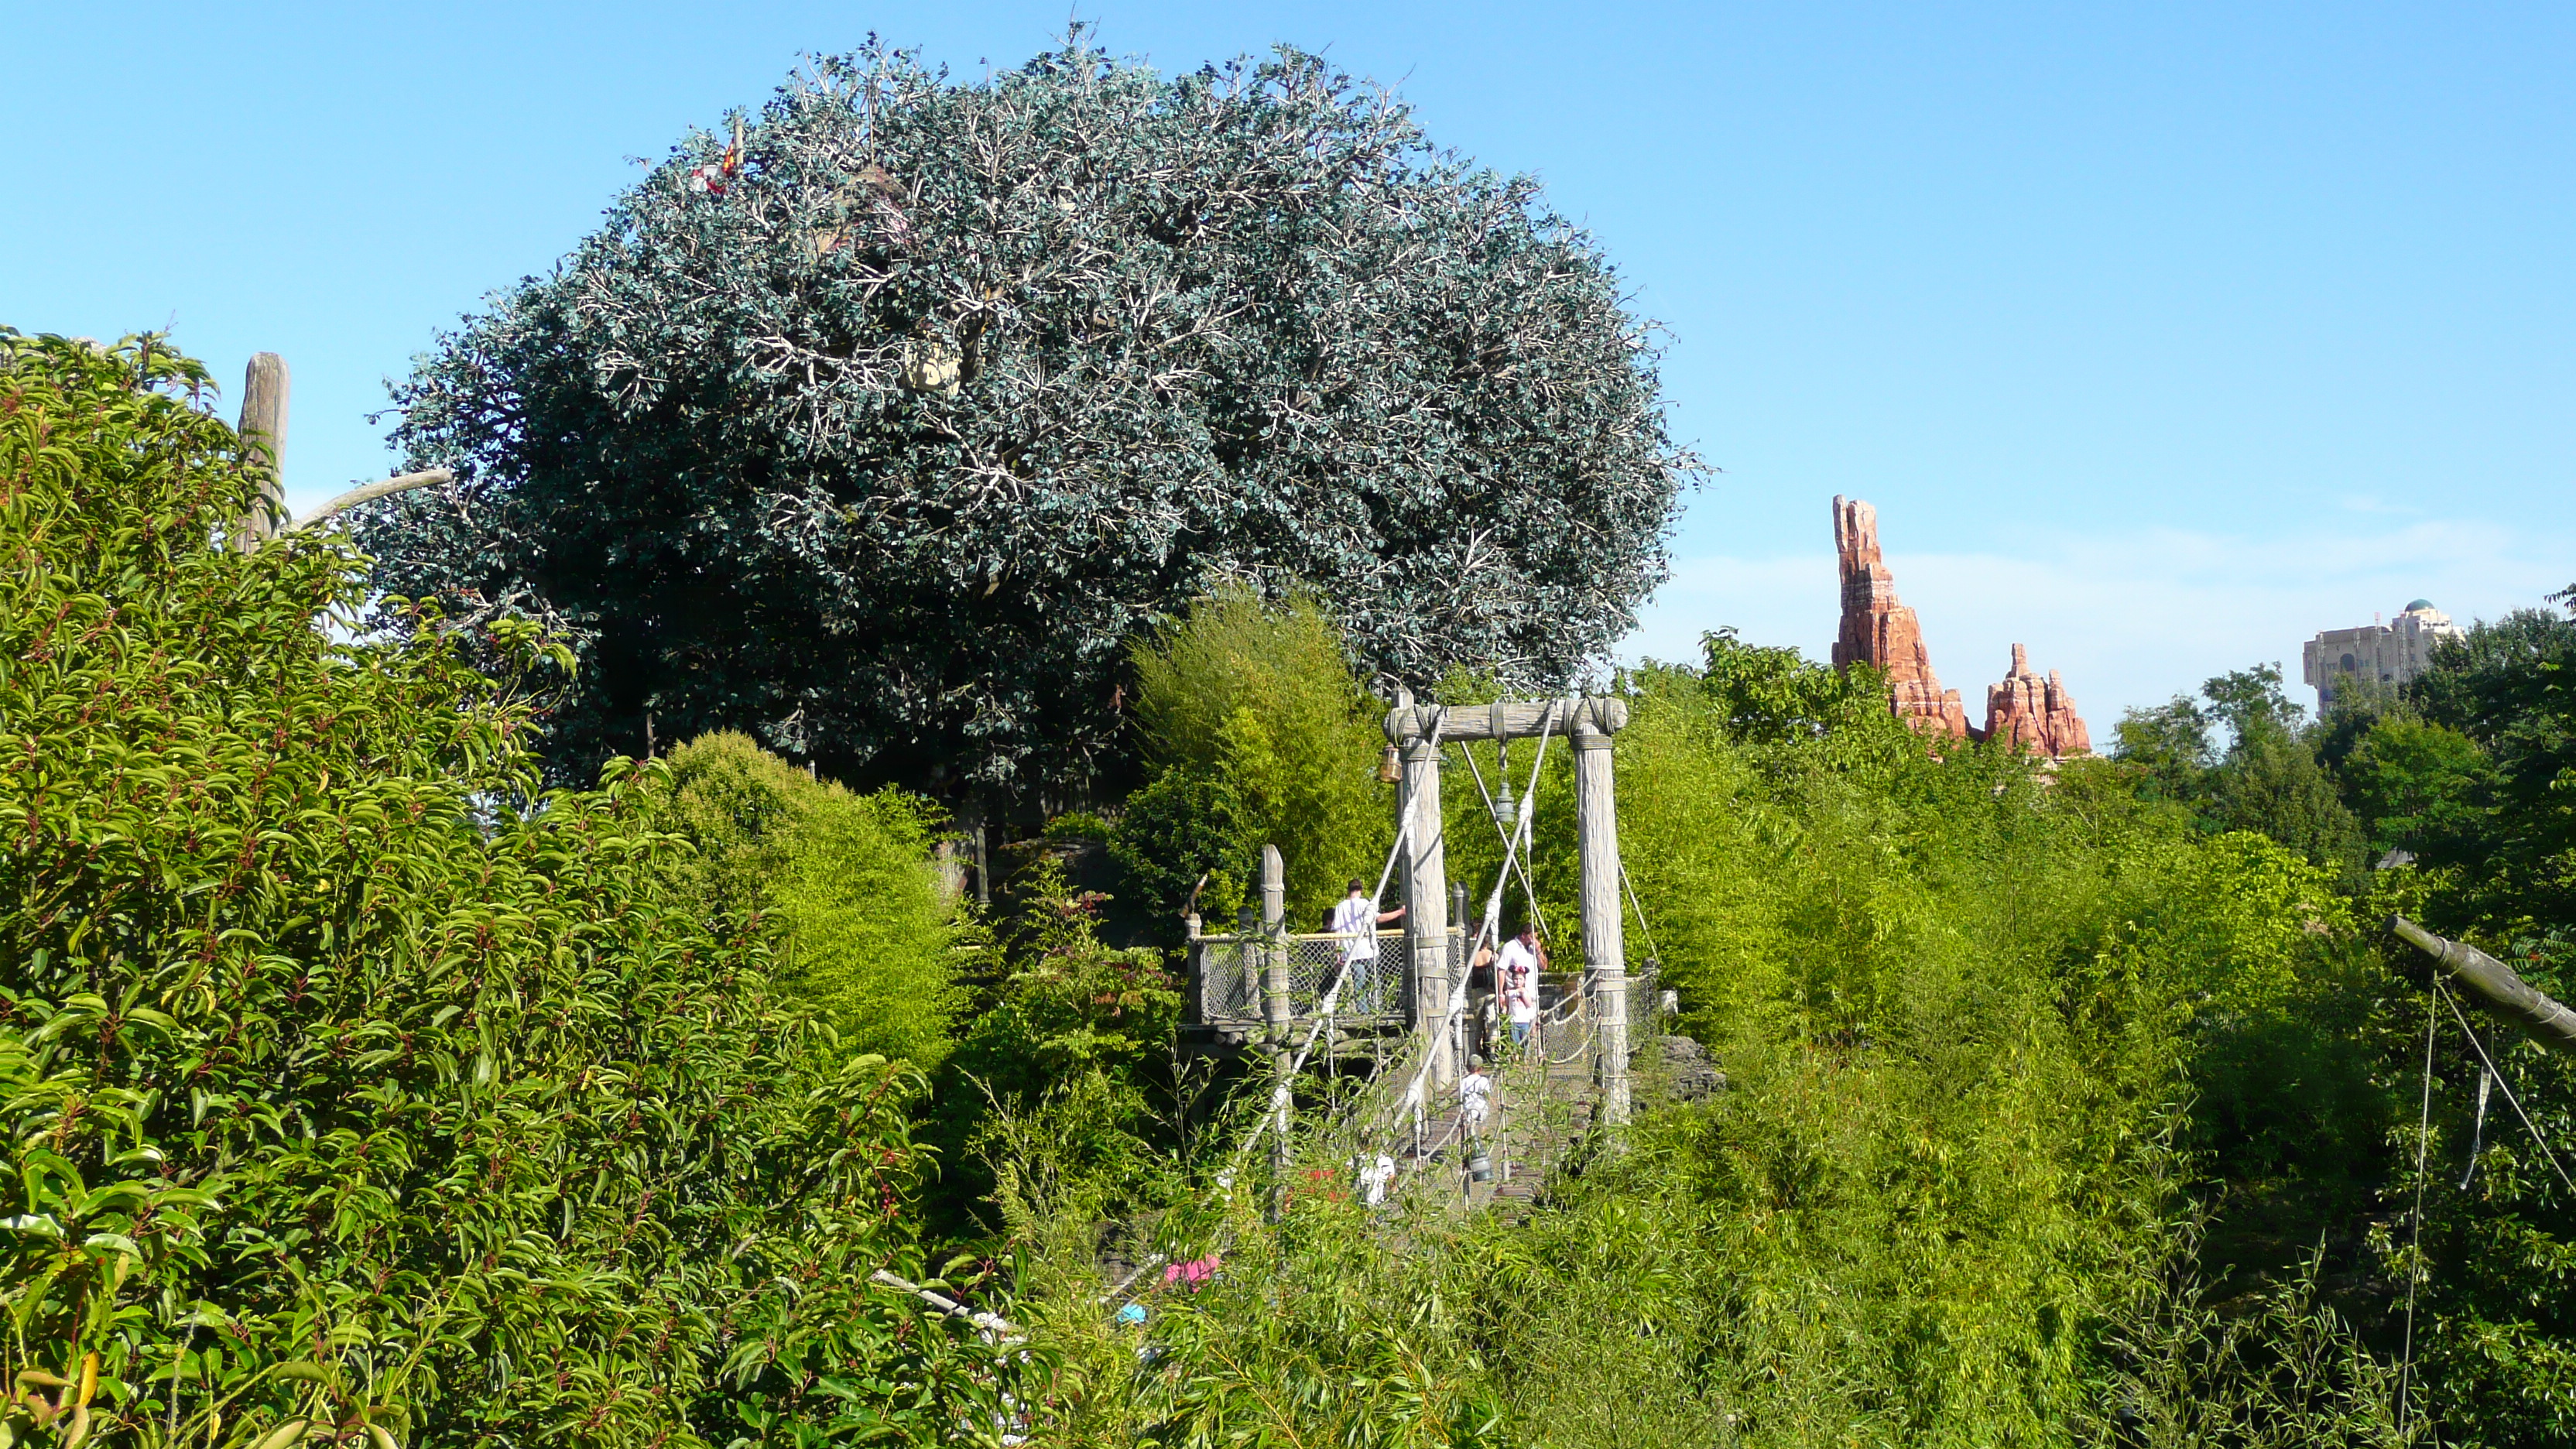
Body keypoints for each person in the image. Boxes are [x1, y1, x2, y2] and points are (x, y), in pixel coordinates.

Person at [1327, 879, 1404, 1012]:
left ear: (1349, 890)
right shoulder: (1365, 904)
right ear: (1361, 890)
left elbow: (1337, 931)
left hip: (1352, 952)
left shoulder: (1340, 907)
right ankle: (1378, 1009)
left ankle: (1363, 1012)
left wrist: (1337, 952)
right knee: (1375, 981)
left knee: (1359, 985)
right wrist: (1400, 912)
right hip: (1369, 950)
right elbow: (1378, 918)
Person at [1495, 925, 1547, 1050]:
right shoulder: (1510, 947)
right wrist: (1501, 993)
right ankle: (1516, 1057)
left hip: (1532, 995)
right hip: (1516, 998)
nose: (1534, 939)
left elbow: (1544, 966)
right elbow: (1501, 970)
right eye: (1532, 937)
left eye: (1536, 937)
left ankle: (1532, 1057)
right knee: (1516, 1031)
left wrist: (1539, 950)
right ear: (1524, 935)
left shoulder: (1533, 949)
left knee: (1534, 1028)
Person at [1458, 1054, 1495, 1141]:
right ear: (1481, 1068)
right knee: (1483, 1124)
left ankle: (1467, 1144)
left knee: (1466, 1125)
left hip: (1468, 1110)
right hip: (1481, 1109)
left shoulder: (1464, 1081)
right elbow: (1487, 1094)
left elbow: (1461, 1095)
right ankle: (1482, 1141)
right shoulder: (1484, 1080)